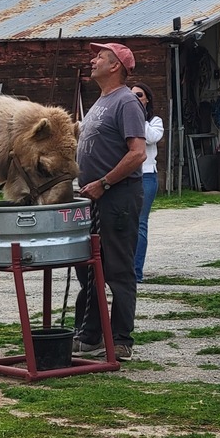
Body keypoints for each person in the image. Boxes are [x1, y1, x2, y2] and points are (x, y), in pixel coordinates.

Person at [73, 42, 146, 363]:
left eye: (100, 57)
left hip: (117, 197)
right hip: (92, 197)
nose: (93, 60)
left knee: (117, 270)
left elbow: (137, 153)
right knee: (87, 269)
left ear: (115, 66)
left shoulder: (126, 101)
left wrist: (104, 183)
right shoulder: (101, 101)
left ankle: (120, 340)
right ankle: (89, 336)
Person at [130, 82, 164, 283]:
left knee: (140, 223)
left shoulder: (155, 121)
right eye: (131, 95)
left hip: (146, 175)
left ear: (147, 99)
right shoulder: (123, 118)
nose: (134, 98)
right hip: (126, 175)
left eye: (139, 95)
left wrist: (137, 116)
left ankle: (136, 272)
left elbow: (151, 138)